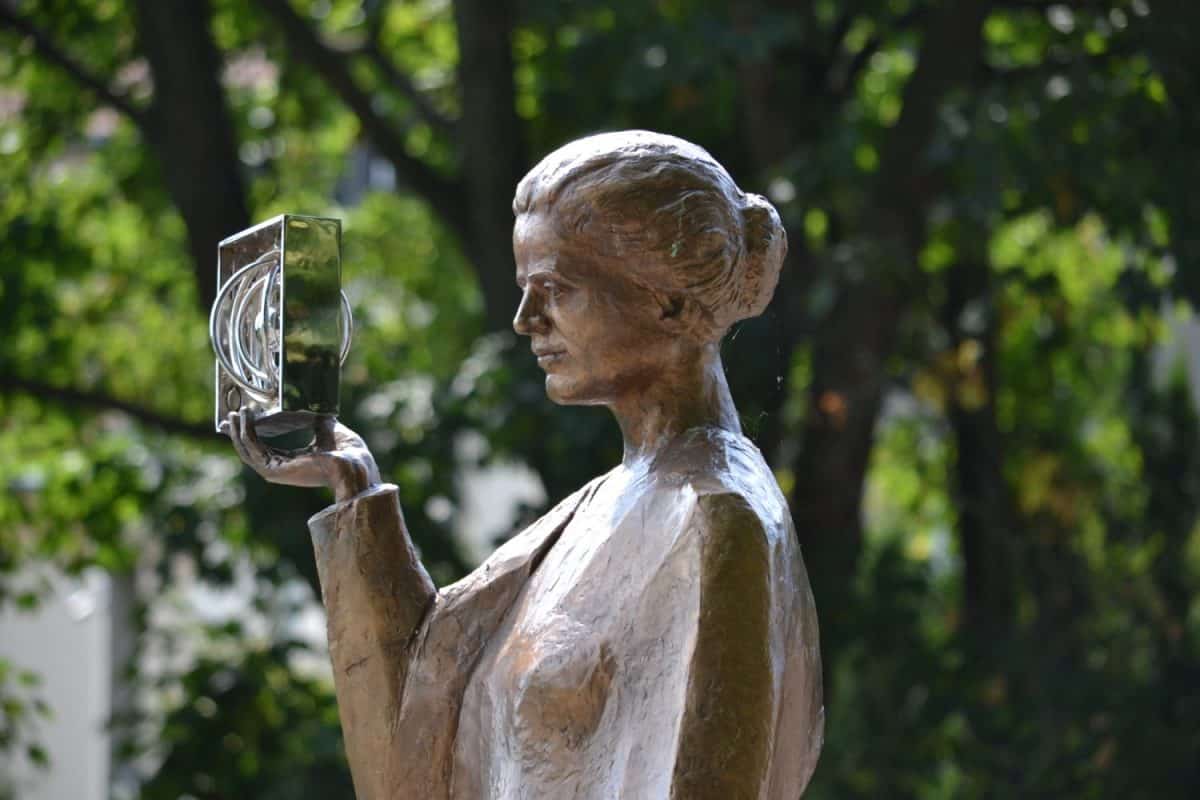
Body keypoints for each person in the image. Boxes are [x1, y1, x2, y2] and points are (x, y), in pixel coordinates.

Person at [227, 130, 823, 799]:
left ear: (671, 303)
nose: (524, 318)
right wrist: (352, 484)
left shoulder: (720, 516)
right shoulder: (601, 506)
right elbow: (425, 723)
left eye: (555, 288)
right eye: (524, 288)